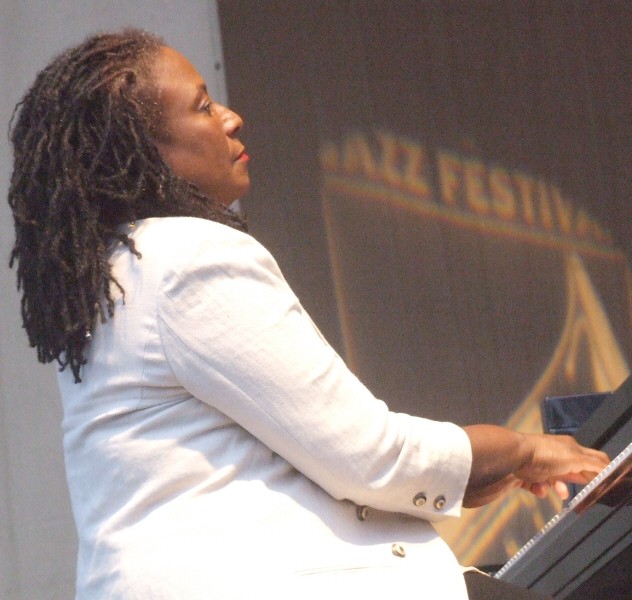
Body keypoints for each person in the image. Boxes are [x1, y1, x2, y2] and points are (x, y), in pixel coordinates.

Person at [8, 29, 609, 599]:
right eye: (202, 106)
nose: (230, 118)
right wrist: (526, 452)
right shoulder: (188, 257)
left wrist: (491, 472)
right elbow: (373, 458)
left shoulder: (116, 278)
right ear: (143, 152)